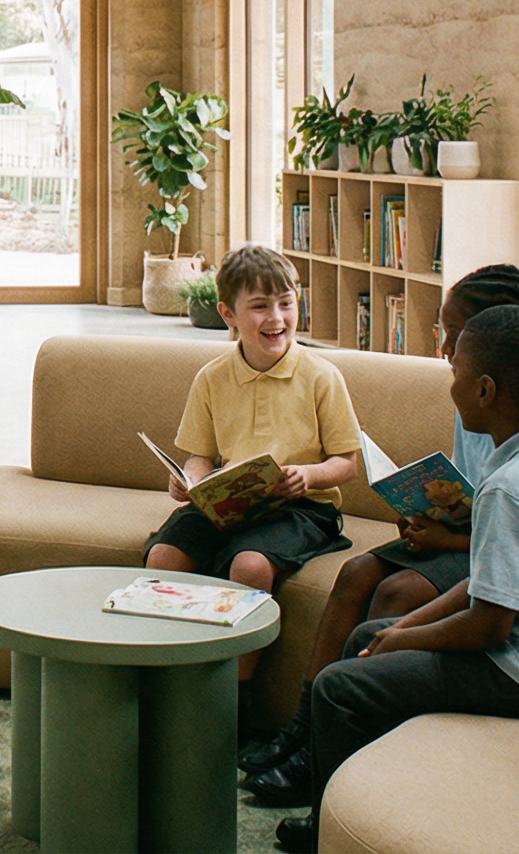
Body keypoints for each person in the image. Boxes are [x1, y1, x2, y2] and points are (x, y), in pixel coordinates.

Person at [266, 306, 519, 852]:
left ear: (484, 390)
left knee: (342, 688)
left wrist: (404, 638)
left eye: (455, 370)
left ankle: (327, 836)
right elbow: (489, 585)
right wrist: (400, 627)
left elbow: (489, 628)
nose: (449, 380)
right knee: (369, 636)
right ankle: (364, 800)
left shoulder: (512, 487)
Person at [145, 243, 362, 724]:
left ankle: (233, 702)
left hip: (304, 507)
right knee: (163, 557)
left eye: (286, 302)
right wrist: (190, 481)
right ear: (228, 314)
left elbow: (345, 462)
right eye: (260, 306)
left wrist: (308, 475)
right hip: (232, 502)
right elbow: (200, 454)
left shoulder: (321, 376)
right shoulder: (212, 377)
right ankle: (168, 676)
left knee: (249, 566)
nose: (277, 317)